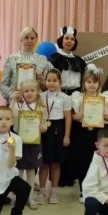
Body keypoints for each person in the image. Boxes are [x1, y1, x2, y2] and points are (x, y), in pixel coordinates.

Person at [50, 26, 87, 188]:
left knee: (74, 138)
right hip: (60, 98)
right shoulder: (54, 58)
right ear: (61, 40)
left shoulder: (80, 61)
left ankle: (71, 175)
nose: (69, 41)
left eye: (72, 39)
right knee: (60, 136)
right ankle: (59, 177)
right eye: (67, 38)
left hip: (76, 98)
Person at [71, 64, 108, 203]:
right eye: (88, 82)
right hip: (82, 133)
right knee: (83, 161)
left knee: (98, 160)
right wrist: (75, 116)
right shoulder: (78, 98)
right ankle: (83, 190)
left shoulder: (103, 98)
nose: (92, 85)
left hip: (98, 132)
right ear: (84, 83)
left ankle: (98, 189)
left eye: (95, 82)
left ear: (99, 83)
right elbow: (71, 116)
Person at [10, 79, 47, 210]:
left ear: (37, 92)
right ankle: (20, 198)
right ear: (21, 92)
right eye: (26, 91)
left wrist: (43, 128)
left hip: (33, 143)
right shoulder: (17, 106)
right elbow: (8, 116)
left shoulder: (41, 108)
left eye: (32, 90)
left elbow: (44, 126)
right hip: (19, 143)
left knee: (31, 171)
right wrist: (13, 100)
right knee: (19, 171)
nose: (29, 93)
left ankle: (30, 198)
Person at [37, 69, 72, 205]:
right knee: (43, 163)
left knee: (56, 163)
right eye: (49, 80)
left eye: (54, 80)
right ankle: (41, 190)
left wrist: (67, 136)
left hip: (58, 130)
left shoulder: (65, 97)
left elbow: (68, 118)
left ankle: (54, 191)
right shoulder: (40, 96)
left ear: (60, 82)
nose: (51, 83)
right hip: (43, 130)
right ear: (45, 81)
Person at [0, 26, 52, 101]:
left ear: (36, 40)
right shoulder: (11, 59)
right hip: (16, 102)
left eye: (32, 38)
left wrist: (41, 82)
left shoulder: (42, 60)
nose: (29, 41)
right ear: (21, 39)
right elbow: (3, 85)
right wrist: (12, 95)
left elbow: (50, 85)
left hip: (36, 103)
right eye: (26, 38)